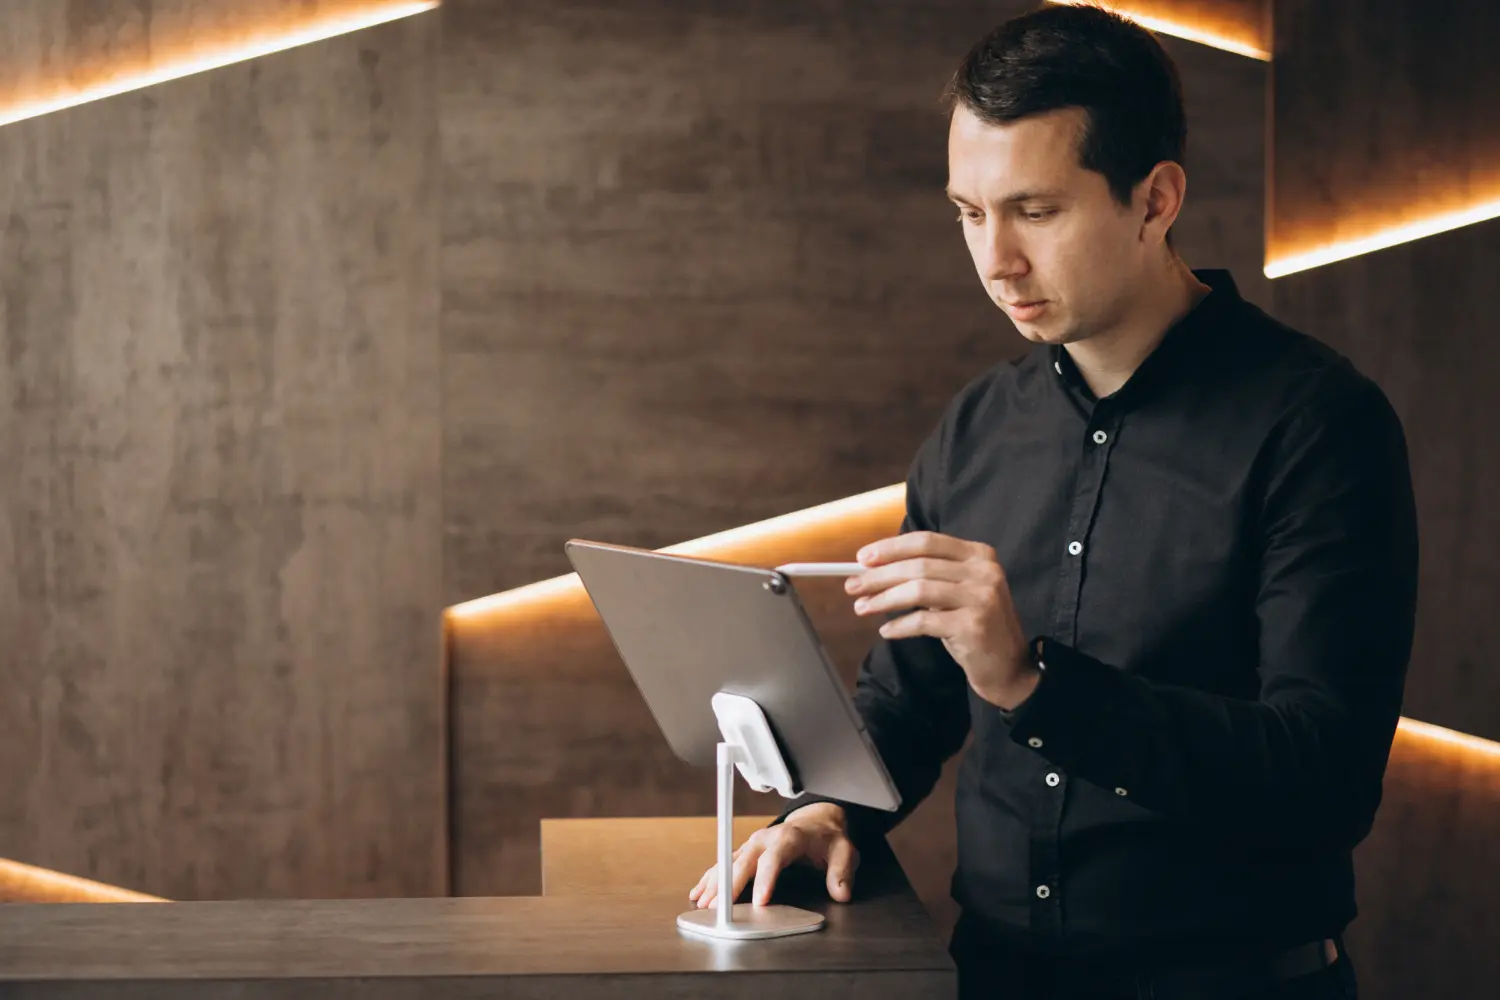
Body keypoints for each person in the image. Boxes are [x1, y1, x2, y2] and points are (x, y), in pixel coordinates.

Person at [687, 5, 1418, 999]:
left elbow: (1323, 781)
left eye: (1035, 211)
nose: (995, 260)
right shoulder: (978, 425)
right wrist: (829, 812)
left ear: (1155, 200)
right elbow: (908, 698)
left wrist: (1035, 685)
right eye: (968, 212)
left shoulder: (1320, 425)